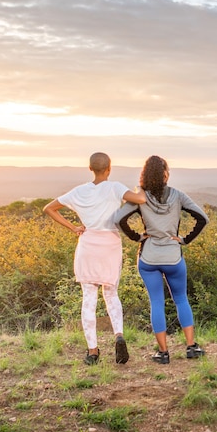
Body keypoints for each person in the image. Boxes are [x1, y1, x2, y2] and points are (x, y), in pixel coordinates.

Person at [43, 152, 146, 365]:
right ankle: (118, 335)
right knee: (111, 293)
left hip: (88, 244)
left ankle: (92, 351)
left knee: (88, 299)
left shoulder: (79, 191)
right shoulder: (115, 187)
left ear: (90, 168)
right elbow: (141, 200)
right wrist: (140, 187)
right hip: (109, 245)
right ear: (109, 168)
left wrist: (73, 227)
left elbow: (49, 208)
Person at [115, 155, 209, 364]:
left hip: (148, 257)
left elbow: (118, 219)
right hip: (173, 256)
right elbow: (203, 218)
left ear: (145, 174)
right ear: (165, 173)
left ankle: (163, 353)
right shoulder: (178, 195)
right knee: (181, 299)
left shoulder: (140, 197)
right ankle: (191, 347)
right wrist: (185, 240)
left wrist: (137, 236)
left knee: (156, 302)